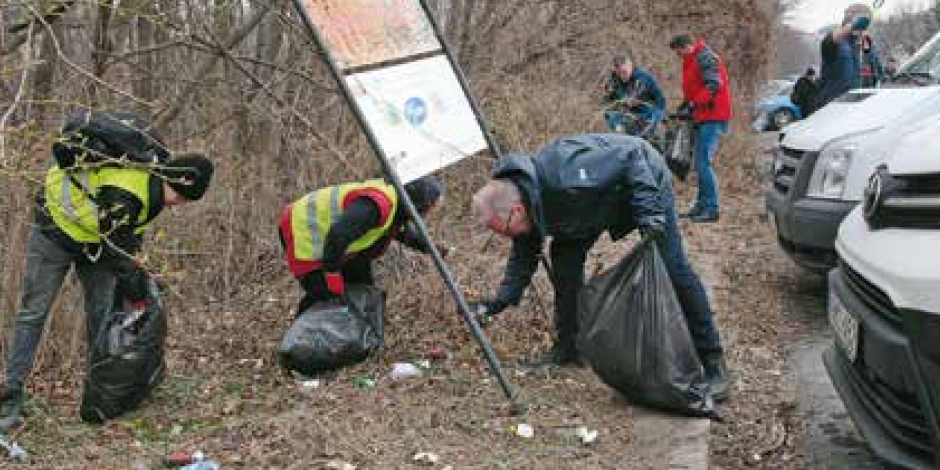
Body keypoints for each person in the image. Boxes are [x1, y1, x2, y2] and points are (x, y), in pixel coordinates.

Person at [469, 134, 729, 399]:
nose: (507, 237)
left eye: (505, 231)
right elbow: (522, 259)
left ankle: (712, 361)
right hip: (587, 209)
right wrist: (500, 301)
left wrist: (649, 212)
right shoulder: (526, 200)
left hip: (644, 180)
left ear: (517, 210)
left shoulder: (564, 172)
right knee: (565, 266)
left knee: (672, 266)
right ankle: (569, 347)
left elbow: (632, 158)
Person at [0, 143, 213, 431]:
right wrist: (136, 286)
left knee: (102, 314)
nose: (179, 205)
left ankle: (101, 394)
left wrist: (139, 277)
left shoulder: (153, 190)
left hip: (95, 241)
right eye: (181, 198)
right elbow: (116, 246)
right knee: (33, 314)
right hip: (56, 230)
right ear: (176, 183)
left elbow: (127, 239)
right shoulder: (129, 192)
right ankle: (10, 397)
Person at [278, 176, 445, 315]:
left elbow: (398, 231)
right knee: (325, 296)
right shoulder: (377, 204)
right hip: (301, 227)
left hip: (337, 243)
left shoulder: (397, 205)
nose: (427, 215)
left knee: (361, 288)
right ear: (418, 204)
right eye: (430, 209)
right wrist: (332, 273)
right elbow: (338, 235)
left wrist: (430, 247)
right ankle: (300, 345)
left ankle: (352, 340)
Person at [669, 34, 733, 222]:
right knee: (699, 163)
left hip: (713, 116)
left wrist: (694, 103)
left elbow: (714, 84)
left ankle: (712, 209)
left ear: (687, 46)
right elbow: (695, 87)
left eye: (679, 51)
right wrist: (684, 105)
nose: (678, 55)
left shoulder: (704, 57)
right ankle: (700, 207)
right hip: (702, 115)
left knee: (703, 163)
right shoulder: (691, 60)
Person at [816, 3, 871, 105]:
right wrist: (852, 26)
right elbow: (833, 38)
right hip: (829, 108)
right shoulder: (836, 42)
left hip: (850, 110)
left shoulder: (860, 46)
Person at [602, 55, 666, 138]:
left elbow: (637, 95)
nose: (622, 76)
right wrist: (611, 111)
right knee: (614, 120)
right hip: (628, 114)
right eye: (618, 73)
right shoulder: (613, 80)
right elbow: (607, 101)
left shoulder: (642, 78)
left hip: (649, 112)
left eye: (624, 72)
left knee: (647, 136)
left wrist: (657, 115)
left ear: (630, 66)